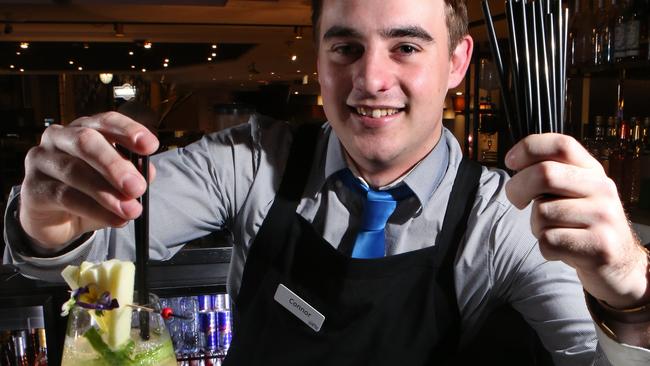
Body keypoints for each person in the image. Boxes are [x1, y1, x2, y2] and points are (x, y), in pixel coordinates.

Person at [3, 0, 650, 364]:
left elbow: (587, 359)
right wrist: (48, 219)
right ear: (318, 59)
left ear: (457, 61)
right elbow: (94, 250)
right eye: (345, 48)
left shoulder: (502, 217)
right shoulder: (253, 161)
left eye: (405, 47)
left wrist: (629, 295)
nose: (371, 79)